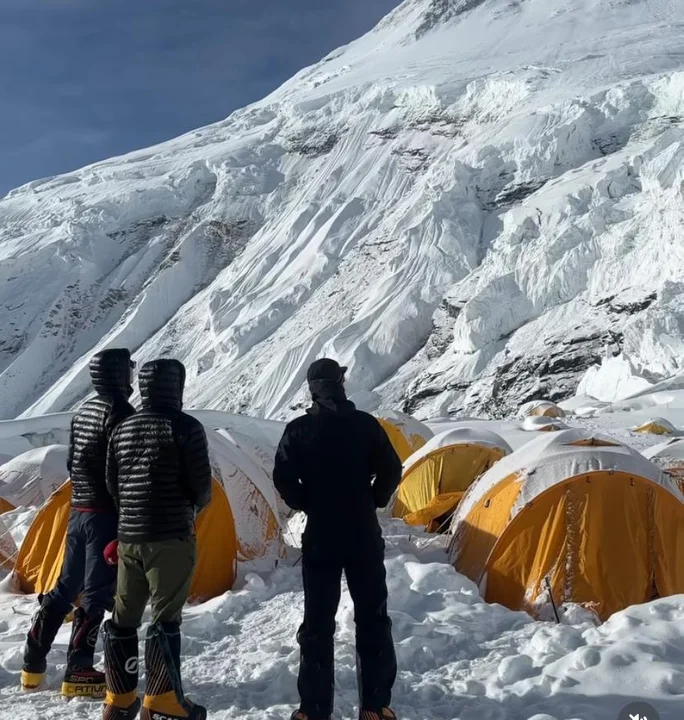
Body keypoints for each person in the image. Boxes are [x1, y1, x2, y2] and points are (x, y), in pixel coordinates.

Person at [273, 358, 402, 720]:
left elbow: (283, 477)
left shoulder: (298, 430)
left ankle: (314, 710)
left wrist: (307, 503)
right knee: (373, 618)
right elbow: (393, 468)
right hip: (362, 533)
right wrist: (374, 499)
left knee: (317, 624)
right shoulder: (366, 425)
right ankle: (376, 706)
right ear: (341, 383)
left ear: (312, 389)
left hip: (321, 536)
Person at [21, 348, 136, 697]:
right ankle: (79, 669)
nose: (132, 374)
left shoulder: (84, 410)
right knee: (97, 593)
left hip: (78, 511)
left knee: (65, 587)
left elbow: (74, 463)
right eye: (129, 369)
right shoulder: (121, 411)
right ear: (120, 374)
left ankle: (33, 662)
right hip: (105, 514)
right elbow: (122, 468)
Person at [101, 358, 212, 720]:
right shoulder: (186, 427)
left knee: (124, 618)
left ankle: (119, 699)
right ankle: (162, 700)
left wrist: (131, 513)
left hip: (129, 536)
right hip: (171, 536)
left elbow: (111, 484)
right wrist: (190, 508)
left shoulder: (122, 427)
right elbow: (201, 487)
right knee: (165, 619)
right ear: (176, 387)